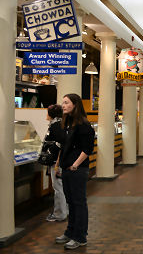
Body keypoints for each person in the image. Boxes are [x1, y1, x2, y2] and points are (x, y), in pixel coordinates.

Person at [55, 94, 95, 250]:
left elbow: (87, 149)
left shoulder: (84, 125)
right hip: (67, 168)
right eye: (62, 103)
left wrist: (75, 165)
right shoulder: (67, 123)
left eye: (66, 102)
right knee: (70, 201)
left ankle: (80, 237)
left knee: (79, 203)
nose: (63, 105)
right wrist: (60, 163)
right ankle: (70, 232)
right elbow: (64, 146)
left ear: (75, 105)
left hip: (77, 170)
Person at [44, 104, 67, 222]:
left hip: (57, 161)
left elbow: (61, 142)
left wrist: (52, 150)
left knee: (58, 187)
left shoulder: (55, 126)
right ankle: (63, 211)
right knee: (61, 186)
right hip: (60, 160)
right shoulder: (61, 123)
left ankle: (60, 214)